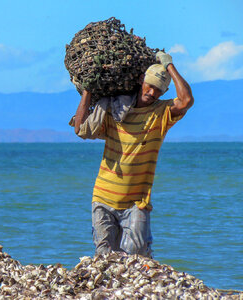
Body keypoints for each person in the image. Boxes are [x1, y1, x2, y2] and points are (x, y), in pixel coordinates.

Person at [70, 52, 194, 257]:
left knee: (136, 256)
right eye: (150, 85)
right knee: (104, 259)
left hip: (137, 203)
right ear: (140, 81)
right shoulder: (114, 110)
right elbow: (80, 128)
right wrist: (87, 92)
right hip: (103, 197)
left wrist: (169, 65)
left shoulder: (161, 114)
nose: (152, 92)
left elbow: (186, 100)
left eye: (158, 90)